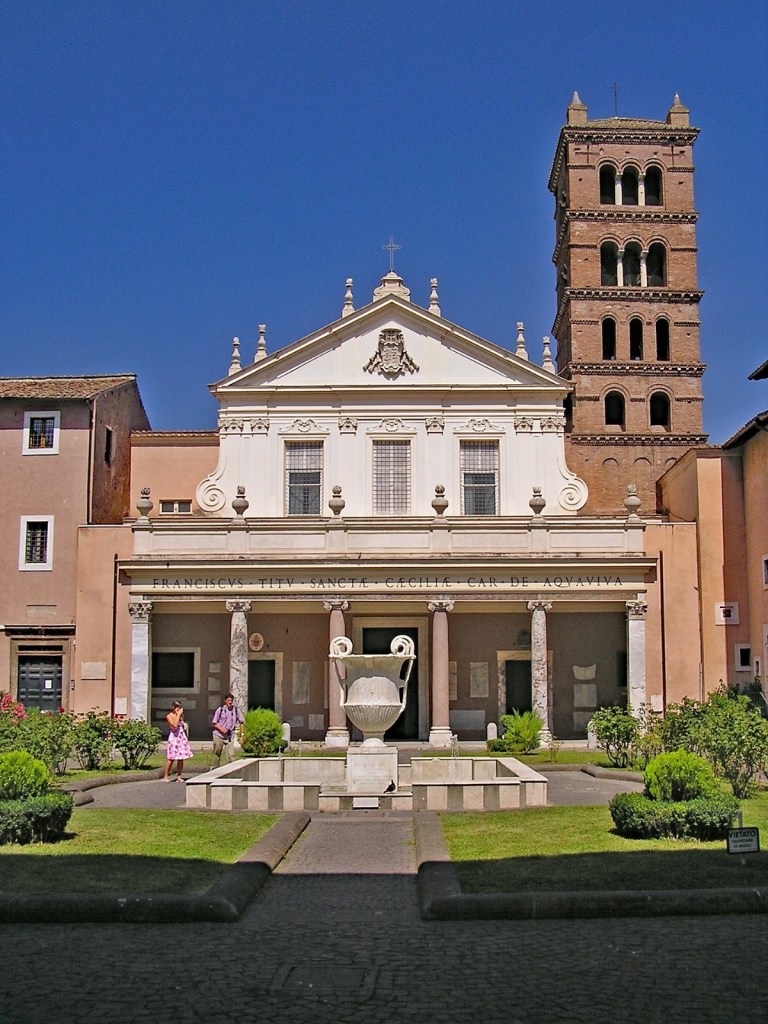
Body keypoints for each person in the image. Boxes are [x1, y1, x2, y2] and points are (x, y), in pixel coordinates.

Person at [211, 692, 244, 768]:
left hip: (229, 736)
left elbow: (242, 722)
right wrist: (221, 729)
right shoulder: (220, 710)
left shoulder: (236, 710)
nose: (230, 702)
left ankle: (232, 770)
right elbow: (214, 723)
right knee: (217, 753)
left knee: (231, 755)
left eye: (231, 700)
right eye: (228, 700)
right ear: (225, 701)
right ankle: (215, 769)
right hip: (218, 735)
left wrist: (242, 735)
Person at [163, 700, 192, 781]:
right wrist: (178, 715)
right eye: (176, 707)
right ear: (173, 707)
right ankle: (165, 776)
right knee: (171, 758)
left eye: (179, 708)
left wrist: (180, 716)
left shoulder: (180, 716)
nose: (178, 709)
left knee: (181, 757)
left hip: (180, 737)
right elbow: (175, 725)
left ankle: (179, 776)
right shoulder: (169, 716)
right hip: (174, 738)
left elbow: (181, 724)